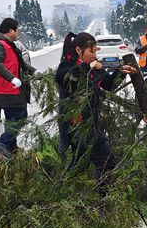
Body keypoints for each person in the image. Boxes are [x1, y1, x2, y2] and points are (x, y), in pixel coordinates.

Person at [56, 32, 135, 183]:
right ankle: (106, 194)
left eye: (95, 51)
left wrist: (120, 72)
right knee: (107, 162)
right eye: (91, 51)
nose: (94, 54)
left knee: (81, 162)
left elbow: (108, 84)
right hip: (77, 125)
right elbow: (64, 79)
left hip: (91, 122)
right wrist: (88, 66)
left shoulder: (95, 66)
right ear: (79, 50)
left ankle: (63, 187)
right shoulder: (67, 65)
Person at [0, 18, 37, 157]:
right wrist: (12, 78)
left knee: (12, 118)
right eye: (17, 30)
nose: (18, 33)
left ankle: (11, 147)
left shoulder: (10, 45)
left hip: (11, 89)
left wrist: (34, 71)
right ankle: (4, 144)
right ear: (11, 30)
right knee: (20, 116)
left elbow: (22, 64)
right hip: (6, 89)